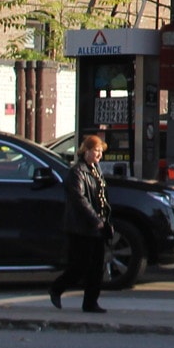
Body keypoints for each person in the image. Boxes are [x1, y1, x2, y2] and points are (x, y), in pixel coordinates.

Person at [51, 134, 112, 313]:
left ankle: (90, 303)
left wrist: (106, 220)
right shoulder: (77, 172)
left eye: (101, 151)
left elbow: (101, 197)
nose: (99, 155)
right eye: (96, 151)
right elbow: (79, 199)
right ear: (85, 151)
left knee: (97, 267)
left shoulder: (96, 170)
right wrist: (95, 219)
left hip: (97, 225)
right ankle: (57, 288)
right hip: (81, 227)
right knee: (80, 266)